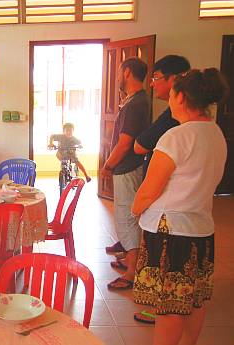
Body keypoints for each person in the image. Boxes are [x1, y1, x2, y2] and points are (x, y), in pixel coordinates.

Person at [131, 68, 228, 345]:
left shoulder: (176, 137)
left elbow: (149, 190)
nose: (169, 100)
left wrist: (135, 208)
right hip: (200, 229)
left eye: (171, 94)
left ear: (181, 96)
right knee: (194, 299)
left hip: (170, 233)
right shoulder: (215, 133)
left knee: (170, 306)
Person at [131, 55, 191, 324]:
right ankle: (175, 308)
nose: (152, 84)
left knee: (165, 266)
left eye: (156, 78)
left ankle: (162, 311)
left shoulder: (176, 131)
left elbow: (141, 144)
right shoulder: (212, 132)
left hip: (169, 215)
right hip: (194, 219)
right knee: (184, 275)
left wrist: (138, 207)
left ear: (176, 82)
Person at [100, 57, 150, 290]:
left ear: (127, 72)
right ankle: (129, 259)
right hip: (128, 166)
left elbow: (125, 143)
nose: (118, 77)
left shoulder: (136, 104)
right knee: (124, 215)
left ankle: (132, 271)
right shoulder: (134, 101)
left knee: (127, 216)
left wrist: (108, 165)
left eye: (120, 72)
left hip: (127, 167)